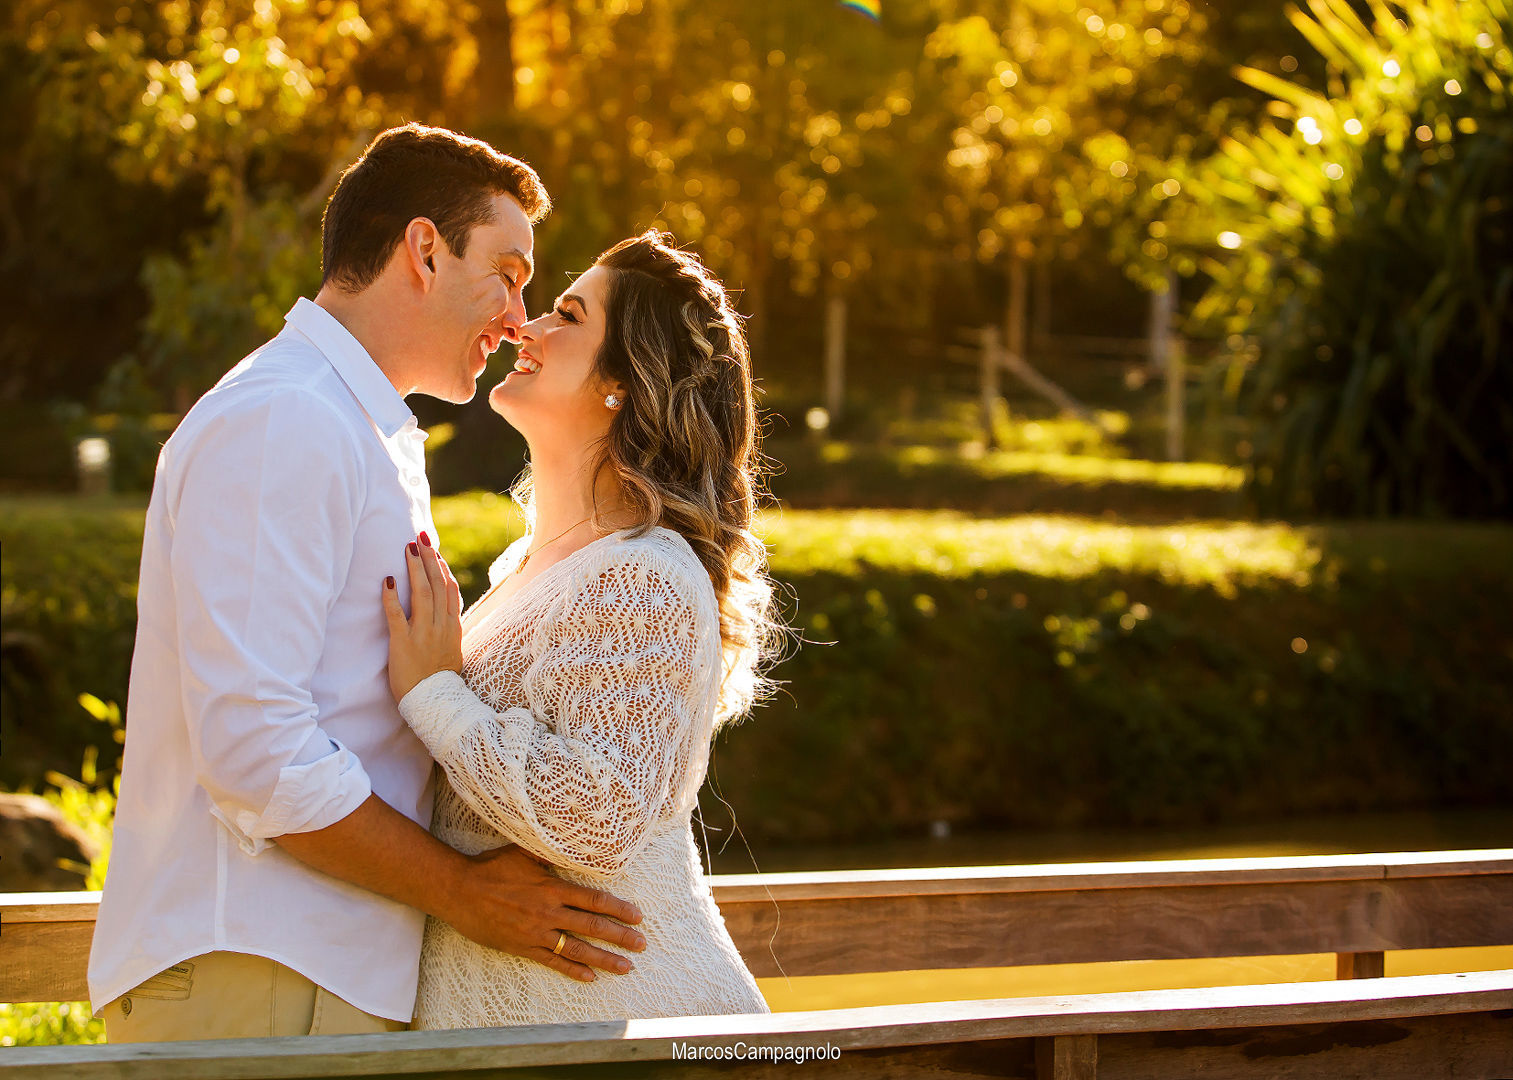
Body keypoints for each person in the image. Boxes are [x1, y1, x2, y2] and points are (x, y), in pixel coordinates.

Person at [88, 124, 645, 1043]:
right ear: (424, 250)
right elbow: (257, 752)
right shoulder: (285, 419)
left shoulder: (358, 426)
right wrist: (462, 892)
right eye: (508, 274)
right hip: (260, 974)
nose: (518, 317)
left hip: (312, 978)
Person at [380, 231, 778, 1026]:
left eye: (566, 314)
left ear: (623, 383)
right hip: (529, 1036)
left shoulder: (647, 576)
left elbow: (596, 818)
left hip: (632, 1036)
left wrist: (435, 694)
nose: (524, 329)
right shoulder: (525, 567)